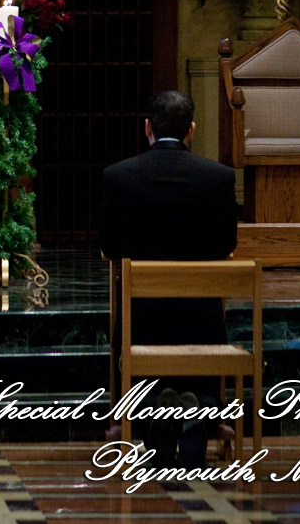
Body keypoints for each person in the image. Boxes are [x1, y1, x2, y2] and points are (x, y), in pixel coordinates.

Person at [98, 90, 237, 468]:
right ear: (191, 130)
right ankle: (201, 413)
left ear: (148, 128)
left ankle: (153, 418)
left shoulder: (118, 176)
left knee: (138, 351)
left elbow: (109, 246)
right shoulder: (219, 179)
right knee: (200, 360)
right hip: (202, 321)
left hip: (142, 320)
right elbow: (228, 244)